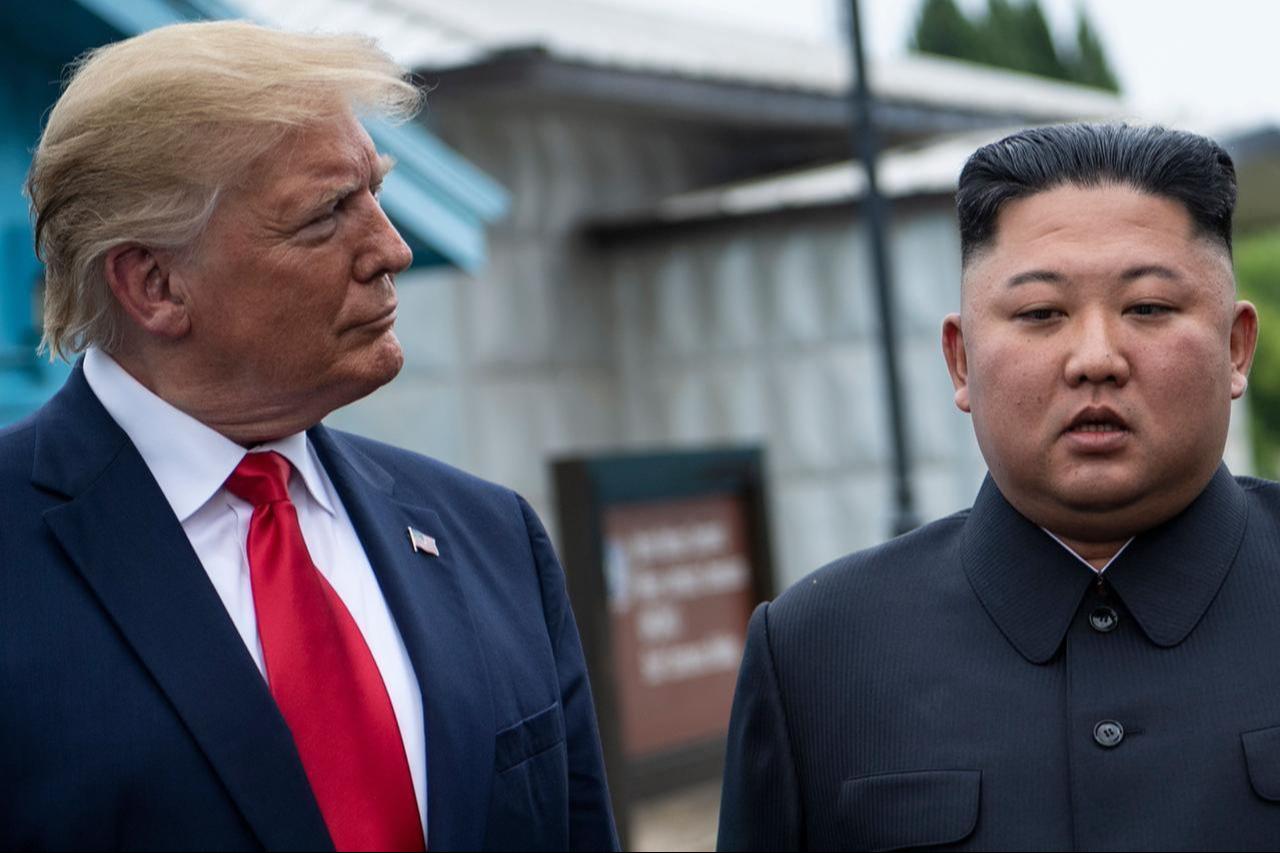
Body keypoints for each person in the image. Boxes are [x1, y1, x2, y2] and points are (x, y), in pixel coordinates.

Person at [0, 21, 617, 852]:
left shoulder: (492, 537)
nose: (390, 248)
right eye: (327, 214)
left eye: (376, 192)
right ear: (155, 283)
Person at [717, 123, 1280, 850]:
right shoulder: (817, 655)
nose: (1095, 359)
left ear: (1236, 347)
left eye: (1148, 308)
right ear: (960, 361)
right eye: (1041, 313)